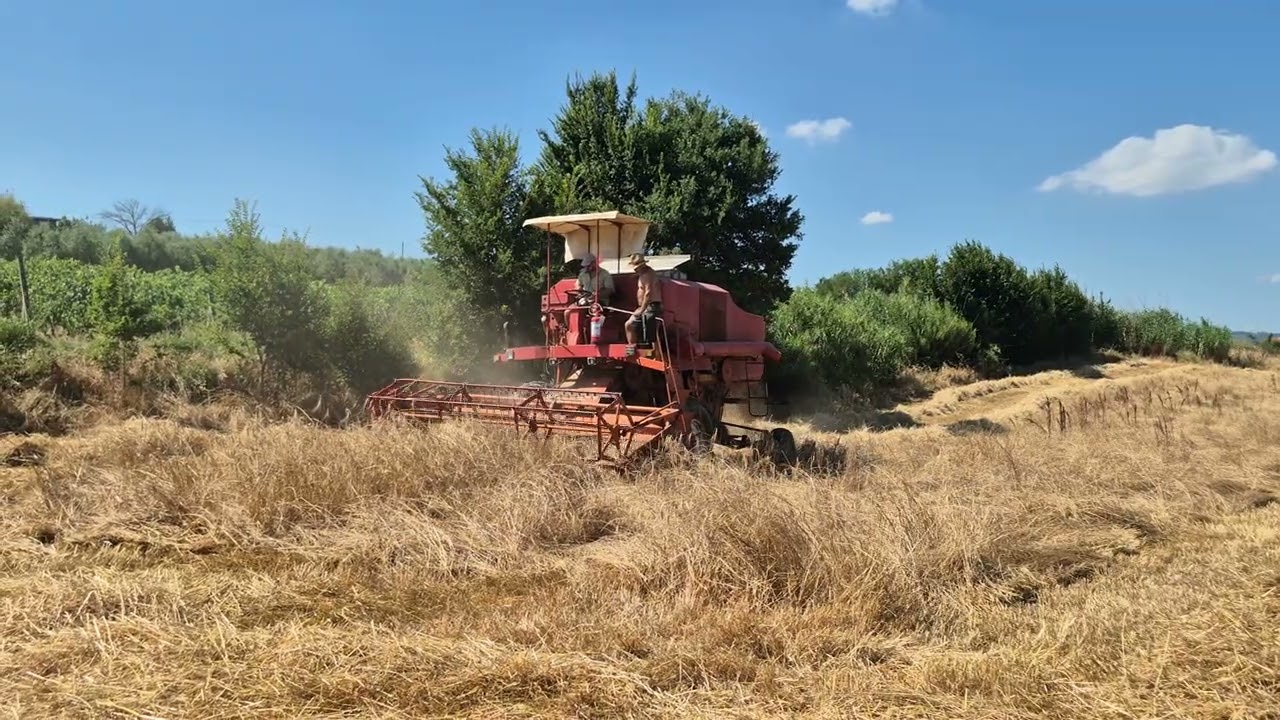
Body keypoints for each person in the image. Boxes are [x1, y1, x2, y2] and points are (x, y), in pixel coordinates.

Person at [625, 252, 663, 345]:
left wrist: (641, 309)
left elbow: (648, 293)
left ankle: (650, 350)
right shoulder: (644, 274)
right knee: (629, 325)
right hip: (645, 306)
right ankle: (633, 347)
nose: (635, 270)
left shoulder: (648, 274)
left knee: (648, 332)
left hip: (650, 306)